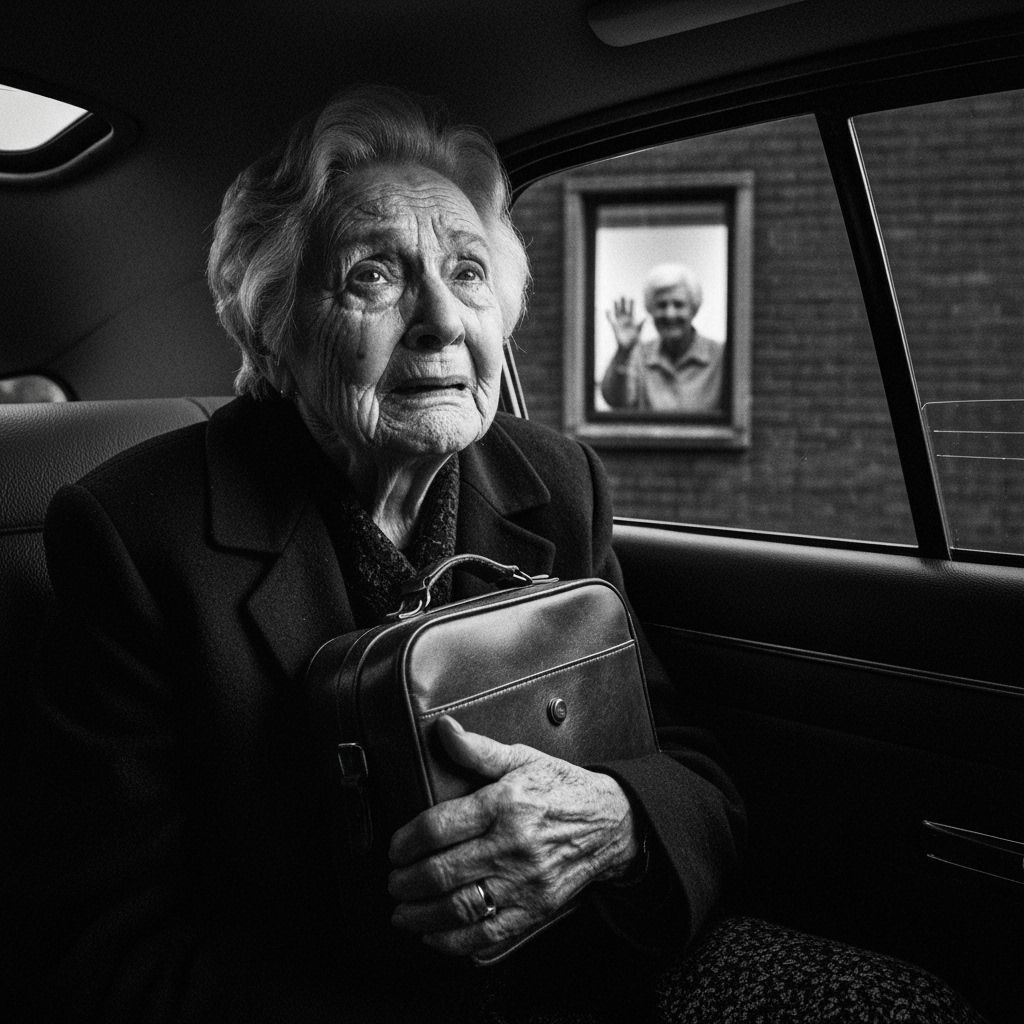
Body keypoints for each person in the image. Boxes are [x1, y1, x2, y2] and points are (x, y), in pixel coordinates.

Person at [4, 86, 986, 1024]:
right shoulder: (135, 532)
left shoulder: (553, 479)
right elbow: (101, 948)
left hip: (593, 972)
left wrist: (616, 821)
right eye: (372, 275)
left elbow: (692, 773)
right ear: (276, 328)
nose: (440, 318)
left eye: (467, 271)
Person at [600, 264, 725, 413]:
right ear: (651, 310)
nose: (670, 314)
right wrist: (623, 352)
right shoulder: (638, 355)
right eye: (661, 305)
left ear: (693, 310)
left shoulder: (720, 355)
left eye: (678, 305)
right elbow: (615, 400)